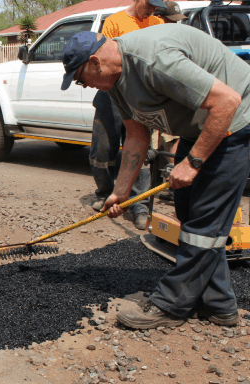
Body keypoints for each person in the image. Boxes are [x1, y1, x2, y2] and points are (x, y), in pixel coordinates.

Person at [61, 25, 250, 329]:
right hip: (201, 126)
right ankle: (220, 305)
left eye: (81, 79)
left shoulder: (154, 61)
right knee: (191, 217)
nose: (84, 86)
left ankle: (170, 305)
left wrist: (193, 162)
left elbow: (227, 102)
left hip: (234, 123)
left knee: (205, 222)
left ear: (95, 63)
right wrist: (120, 192)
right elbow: (136, 135)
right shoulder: (116, 82)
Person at [87, 0, 165, 230]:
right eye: (150, 5)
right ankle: (105, 192)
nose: (152, 10)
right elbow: (104, 59)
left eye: (155, 6)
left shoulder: (157, 23)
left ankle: (139, 206)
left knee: (140, 151)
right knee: (103, 148)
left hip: (140, 94)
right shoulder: (114, 23)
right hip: (111, 93)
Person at [153, 0, 186, 201]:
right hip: (158, 95)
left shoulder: (173, 37)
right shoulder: (154, 36)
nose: (174, 24)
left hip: (169, 95)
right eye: (169, 20)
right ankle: (162, 184)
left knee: (171, 140)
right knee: (157, 143)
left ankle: (173, 186)